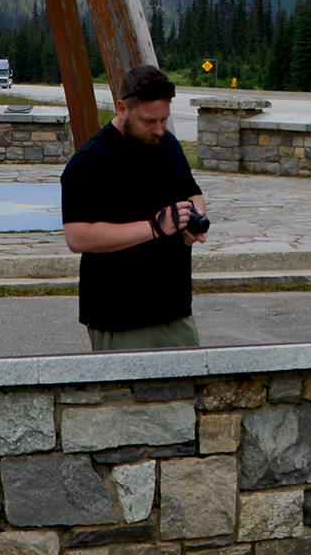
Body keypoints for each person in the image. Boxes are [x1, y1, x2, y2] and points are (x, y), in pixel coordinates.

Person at [60, 64, 208, 350]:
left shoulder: (167, 144)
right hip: (120, 316)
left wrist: (193, 218)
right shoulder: (90, 161)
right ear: (121, 108)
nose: (159, 129)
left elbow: (192, 193)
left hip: (176, 312)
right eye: (149, 120)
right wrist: (153, 228)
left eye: (164, 119)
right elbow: (77, 237)